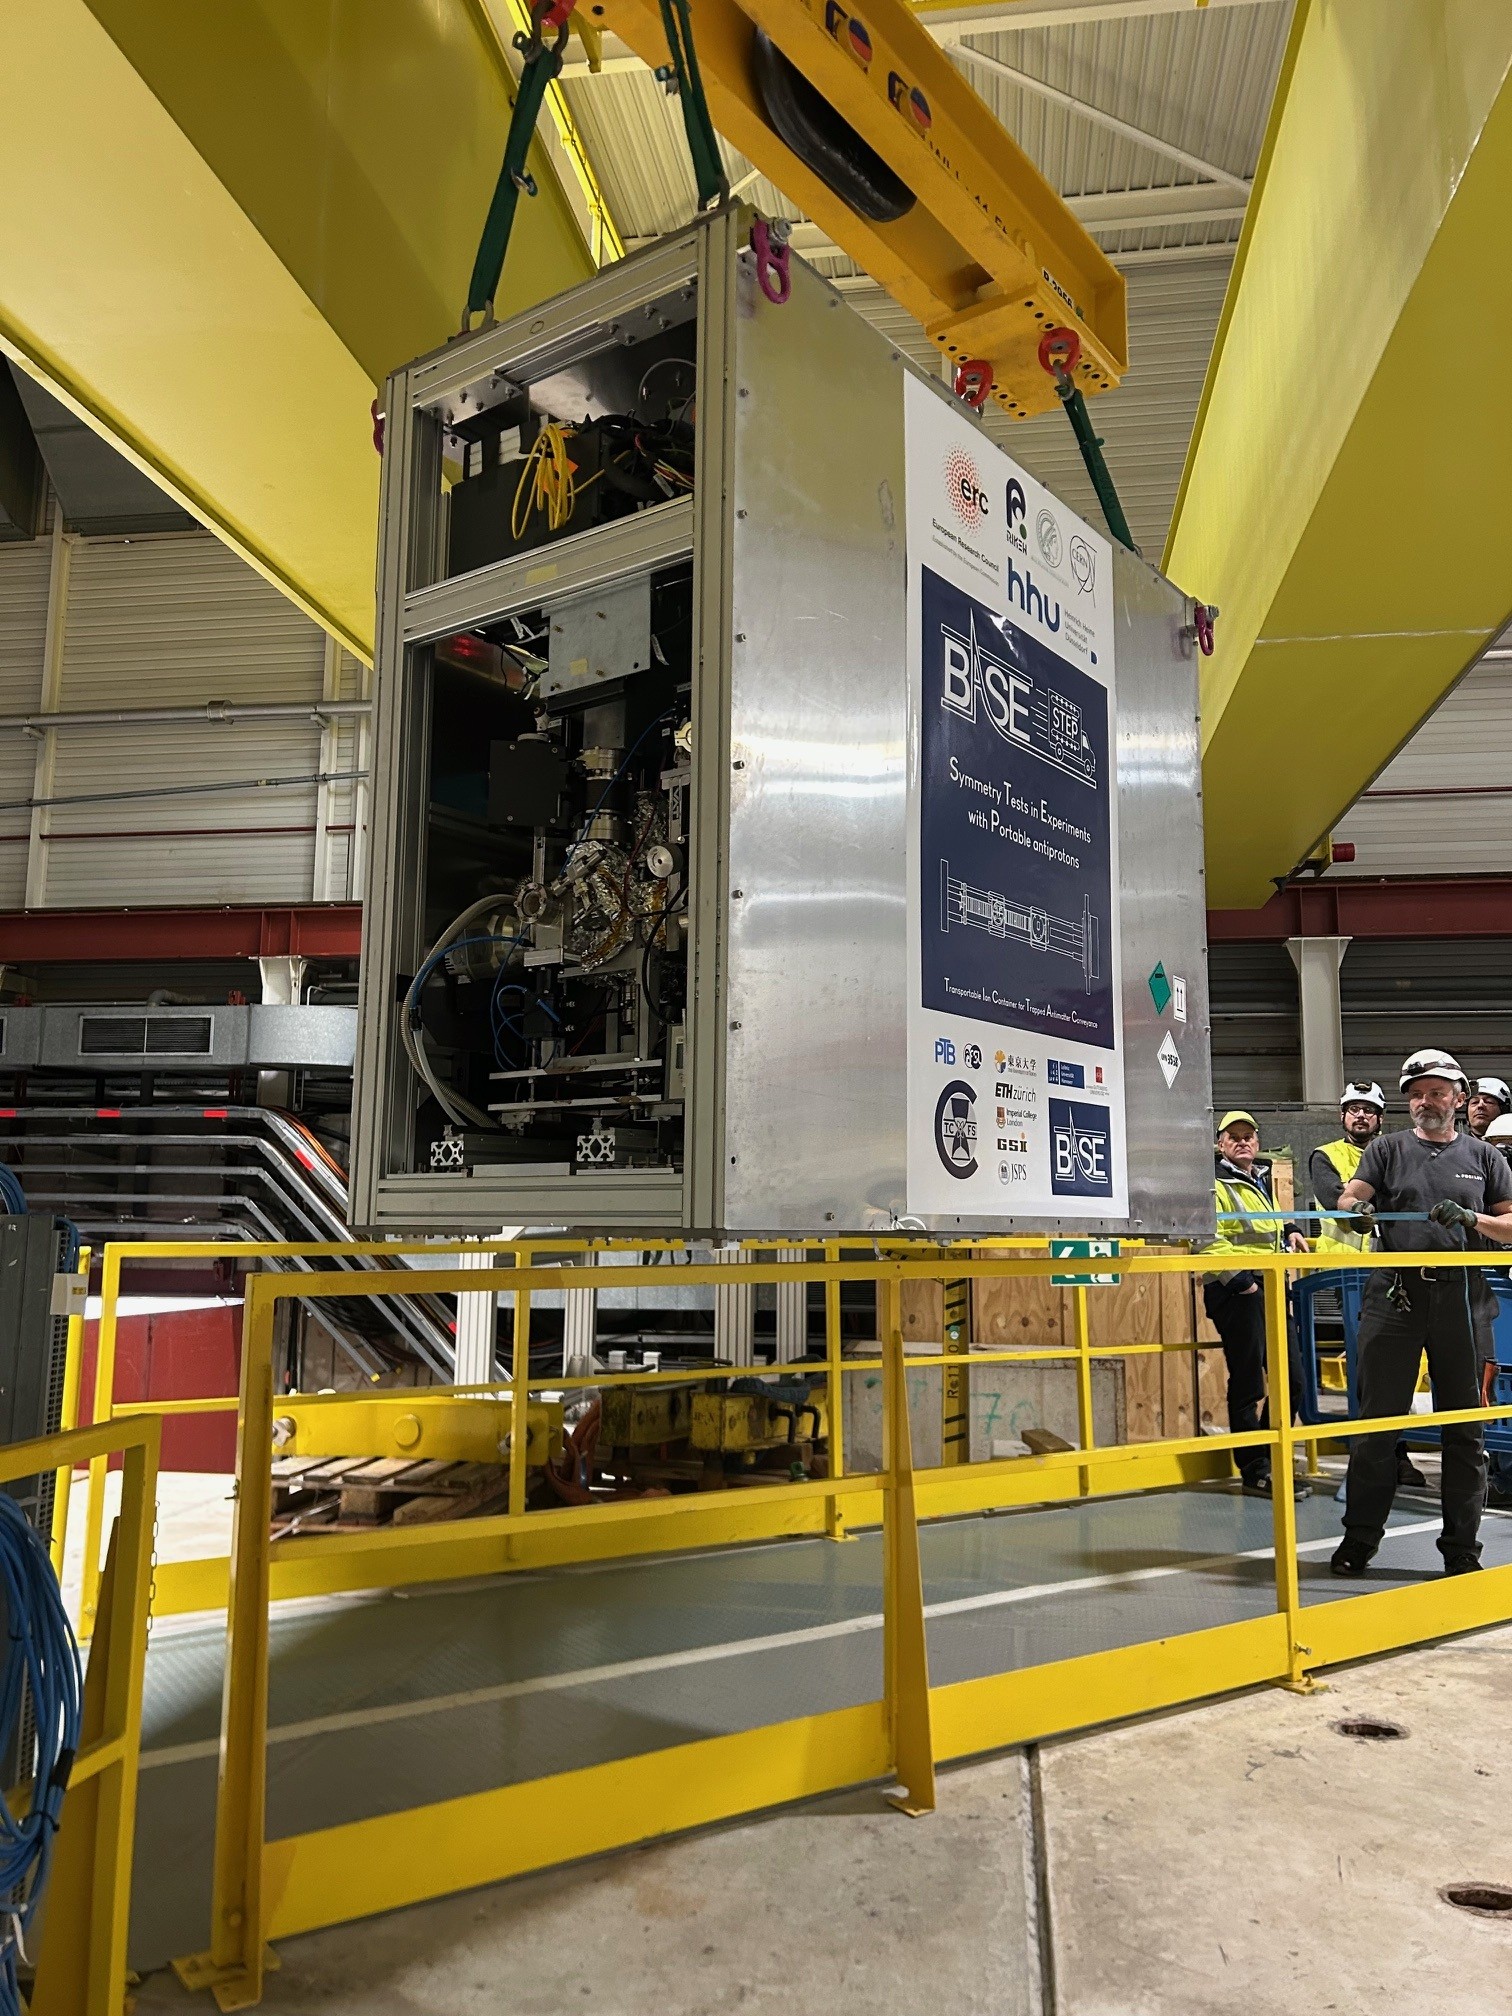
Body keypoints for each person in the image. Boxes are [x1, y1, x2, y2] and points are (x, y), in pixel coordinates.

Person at [1331, 1048, 1512, 1577]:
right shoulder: (1386, 1150)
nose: (1425, 1102)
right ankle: (1359, 1540)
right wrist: (1357, 1212)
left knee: (1464, 1427)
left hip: (1463, 1299)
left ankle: (1462, 1549)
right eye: (1416, 1094)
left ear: (1458, 1098)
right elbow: (1348, 1198)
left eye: (1436, 1093)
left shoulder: (1485, 1158)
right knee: (1378, 1423)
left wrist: (1473, 1218)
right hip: (1396, 1297)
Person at [1308, 1081, 1426, 1485]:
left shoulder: (1395, 1152)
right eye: (1353, 1109)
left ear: (1379, 1118)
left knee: (1395, 1366)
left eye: (1368, 1110)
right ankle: (1376, 1453)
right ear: (1343, 1116)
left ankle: (1394, 1451)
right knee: (1367, 1366)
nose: (1360, 1116)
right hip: (1348, 1275)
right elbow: (1333, 1199)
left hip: (1391, 1271)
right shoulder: (1326, 1155)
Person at [1205, 1110, 1310, 1499]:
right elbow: (1205, 1237)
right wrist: (1242, 1282)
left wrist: (1293, 1228)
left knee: (1293, 1380)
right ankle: (1254, 1470)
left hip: (1269, 1286)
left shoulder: (1258, 1180)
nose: (1243, 1141)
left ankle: (1268, 1459)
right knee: (1249, 1381)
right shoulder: (1213, 1184)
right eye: (1233, 1136)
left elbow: (1268, 1225)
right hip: (1237, 1291)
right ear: (1220, 1144)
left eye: (1248, 1135)